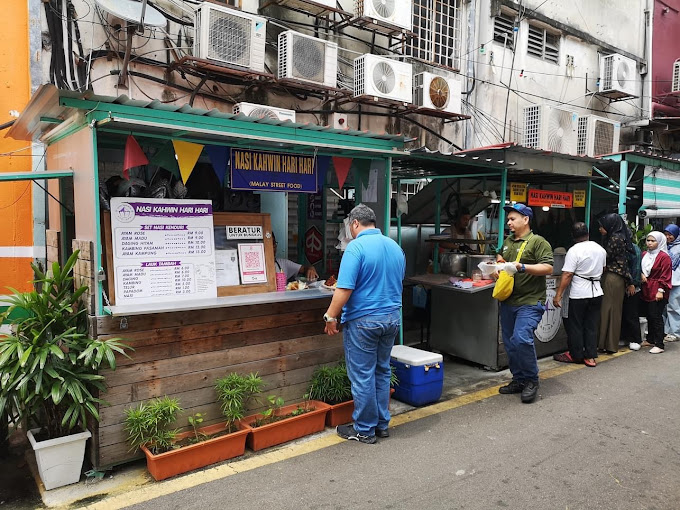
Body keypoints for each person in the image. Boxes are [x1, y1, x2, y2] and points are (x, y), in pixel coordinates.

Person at [323, 204, 405, 444]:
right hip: (391, 318)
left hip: (364, 321)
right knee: (381, 371)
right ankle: (381, 424)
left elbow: (344, 288)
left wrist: (330, 316)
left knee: (362, 376)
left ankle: (364, 430)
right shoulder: (395, 246)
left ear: (355, 224)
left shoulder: (355, 247)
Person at [495, 203, 553, 404]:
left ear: (525, 220)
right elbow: (500, 256)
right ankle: (519, 379)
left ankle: (531, 380)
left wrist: (523, 267)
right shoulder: (508, 241)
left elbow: (547, 267)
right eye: (508, 219)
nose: (508, 223)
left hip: (530, 301)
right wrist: (498, 266)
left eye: (512, 219)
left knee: (521, 339)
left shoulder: (538, 242)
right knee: (511, 343)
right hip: (509, 301)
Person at [553, 222, 607, 367]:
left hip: (579, 293)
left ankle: (576, 355)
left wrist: (558, 294)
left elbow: (567, 274)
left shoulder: (573, 250)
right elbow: (603, 268)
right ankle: (590, 357)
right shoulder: (600, 249)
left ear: (573, 236)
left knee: (575, 325)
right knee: (591, 324)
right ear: (588, 233)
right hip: (596, 291)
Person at [597, 213, 633, 353]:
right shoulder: (619, 237)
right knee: (613, 310)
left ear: (610, 226)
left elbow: (606, 256)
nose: (600, 229)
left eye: (602, 226)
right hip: (617, 278)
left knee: (608, 310)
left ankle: (606, 344)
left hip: (613, 277)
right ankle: (608, 344)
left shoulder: (615, 238)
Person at [638, 232, 672, 354]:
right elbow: (640, 268)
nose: (650, 243)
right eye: (648, 240)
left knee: (656, 315)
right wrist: (641, 274)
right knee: (649, 315)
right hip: (646, 288)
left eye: (653, 241)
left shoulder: (664, 257)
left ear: (660, 242)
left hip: (658, 289)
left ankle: (659, 343)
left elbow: (666, 275)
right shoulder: (644, 254)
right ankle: (650, 339)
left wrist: (661, 291)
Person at [663, 224, 680, 343]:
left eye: (670, 235)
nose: (668, 237)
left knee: (674, 307)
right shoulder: (664, 246)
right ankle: (666, 330)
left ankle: (675, 332)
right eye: (666, 234)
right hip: (665, 280)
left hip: (676, 281)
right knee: (664, 307)